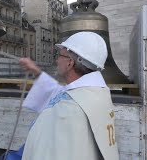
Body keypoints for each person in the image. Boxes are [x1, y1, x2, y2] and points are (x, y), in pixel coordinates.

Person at [16, 32, 119, 160]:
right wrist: (36, 70)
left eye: (59, 55)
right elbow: (60, 92)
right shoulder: (97, 92)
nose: (56, 60)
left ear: (70, 63)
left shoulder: (65, 111)